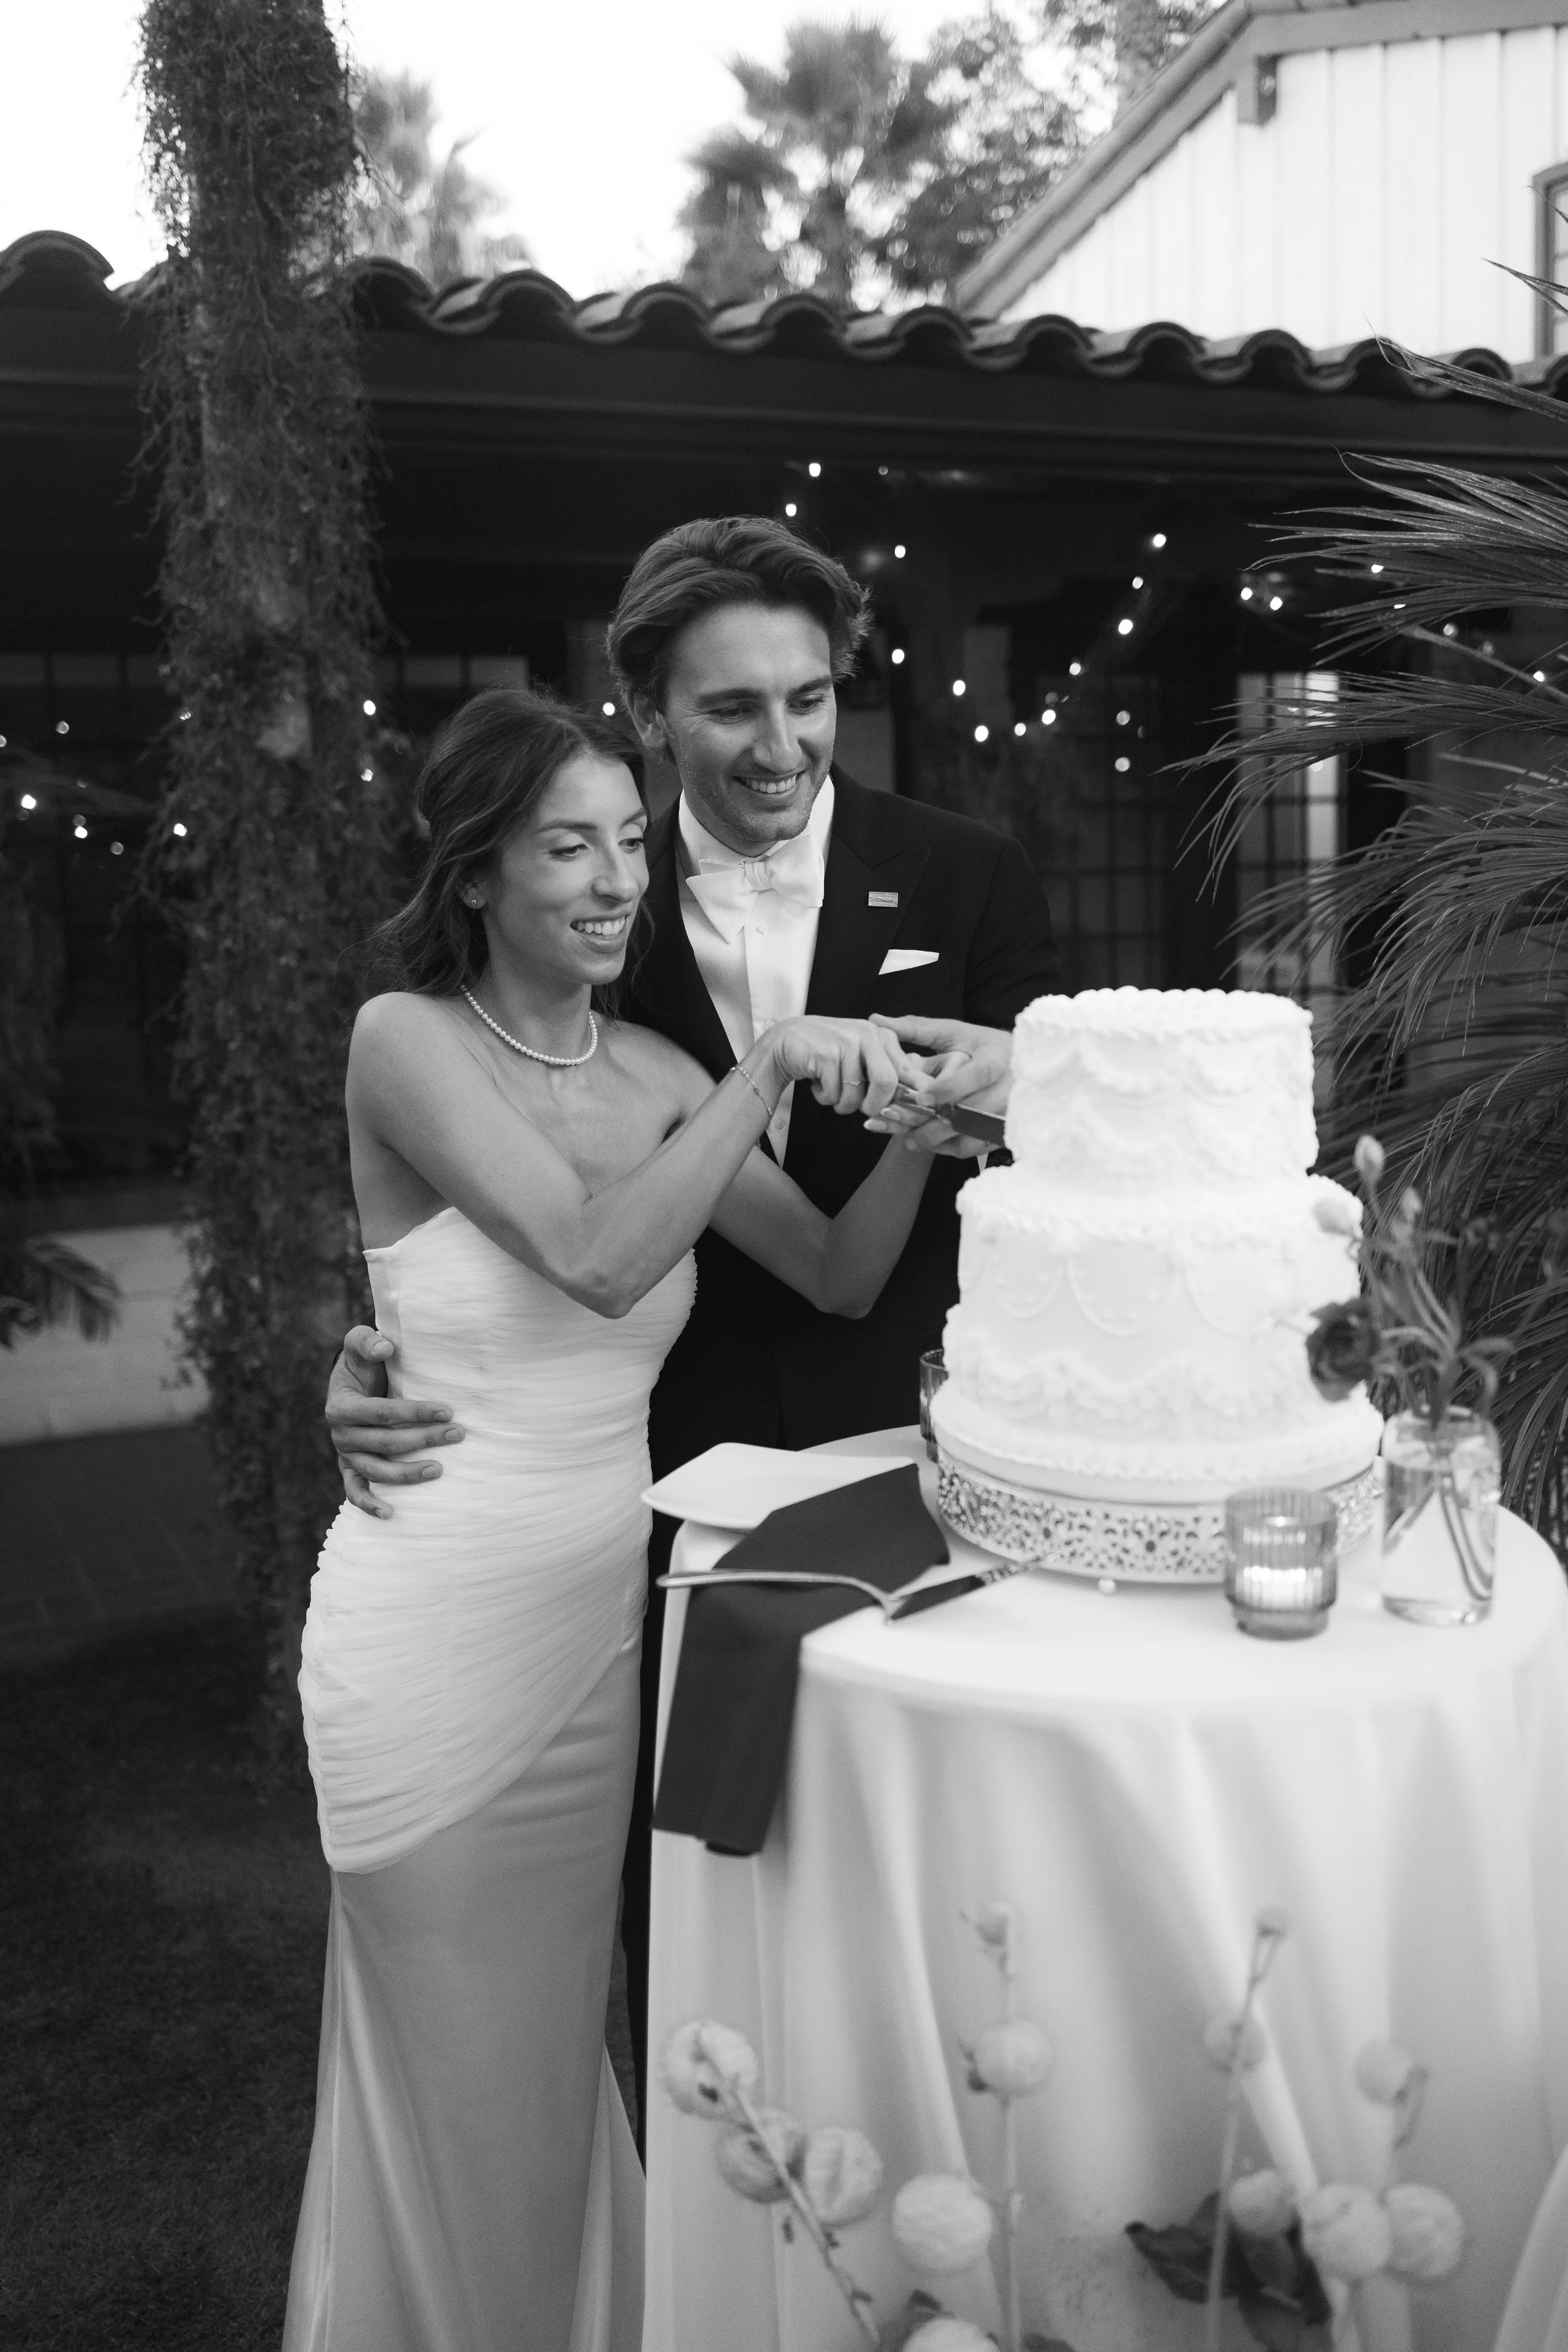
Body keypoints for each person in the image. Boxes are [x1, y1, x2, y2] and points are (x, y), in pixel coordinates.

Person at [323, 517, 1061, 2124]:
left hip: (906, 1456)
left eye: (807, 699)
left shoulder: (963, 872)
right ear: (649, 711)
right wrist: (380, 1343)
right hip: (647, 1480)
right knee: (679, 1906)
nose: (779, 743)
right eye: (730, 708)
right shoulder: (592, 909)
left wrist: (993, 1099)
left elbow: (989, 1182)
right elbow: (478, 1187)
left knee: (920, 1865)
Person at [281, 688, 932, 2352]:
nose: (613, 876)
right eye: (569, 843)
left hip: (595, 1638)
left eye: (630, 841)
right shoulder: (403, 1039)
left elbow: (840, 1269)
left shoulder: (655, 1070)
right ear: (478, 868)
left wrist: (929, 1115)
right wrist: (776, 1057)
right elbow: (590, 1254)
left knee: (560, 2076)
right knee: (480, 2100)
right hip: (429, 1641)